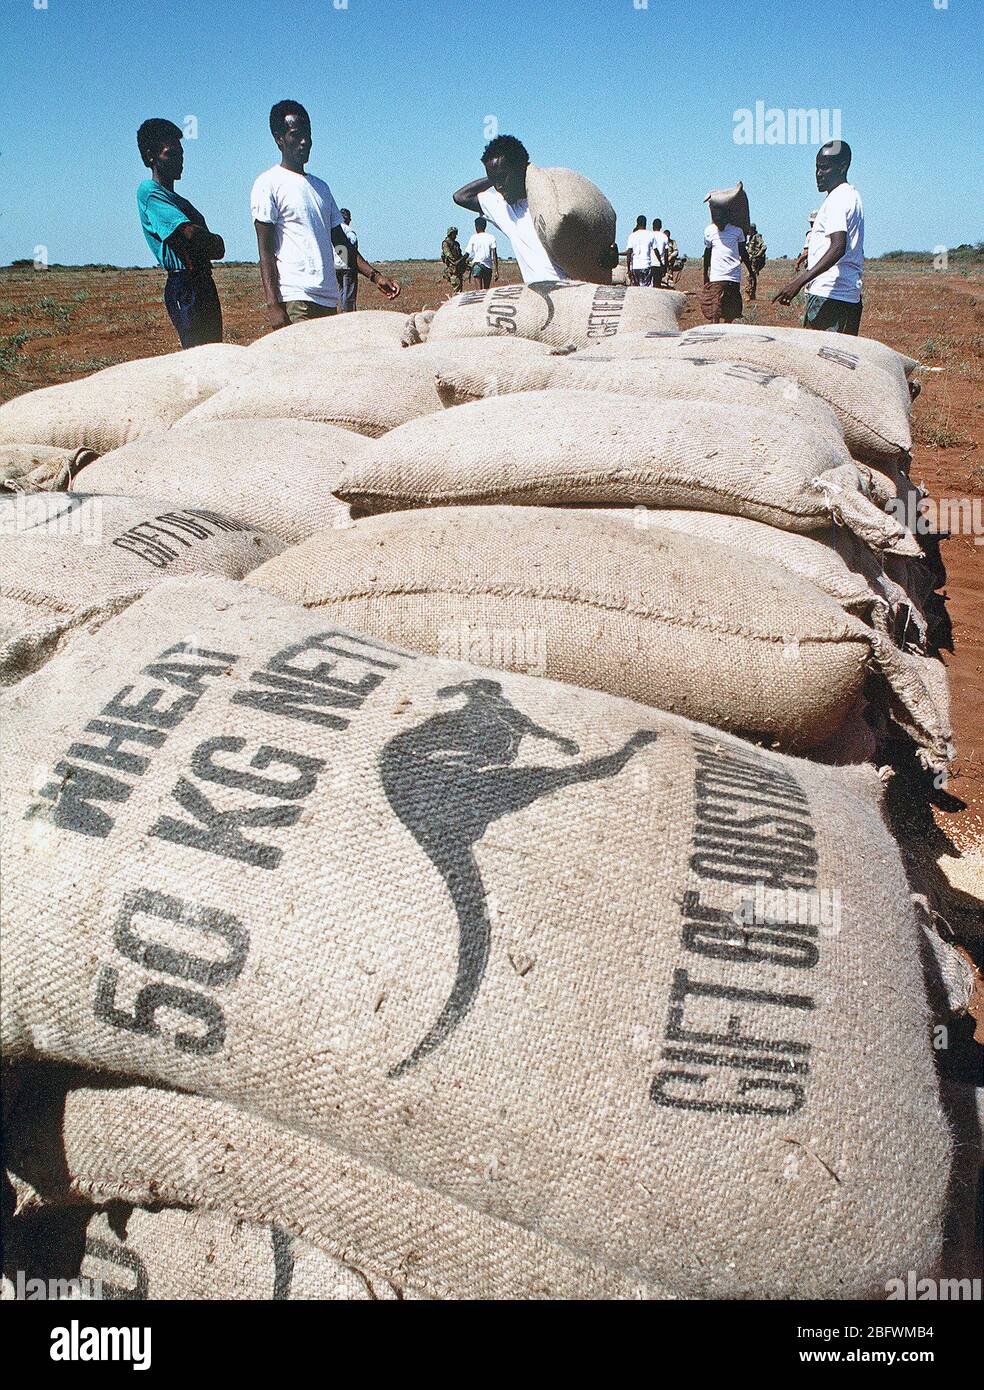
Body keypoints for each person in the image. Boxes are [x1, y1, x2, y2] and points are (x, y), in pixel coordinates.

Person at [251, 100, 399, 329]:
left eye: (308, 134)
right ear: (279, 139)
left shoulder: (321, 187)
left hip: (329, 299)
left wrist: (375, 276)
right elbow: (266, 251)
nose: (305, 141)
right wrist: (273, 305)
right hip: (296, 299)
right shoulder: (268, 184)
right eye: (295, 134)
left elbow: (340, 243)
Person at [136, 119, 224, 349]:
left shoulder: (180, 202)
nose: (180, 159)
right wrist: (209, 239)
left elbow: (214, 247)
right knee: (198, 353)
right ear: (150, 157)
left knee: (213, 351)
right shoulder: (149, 192)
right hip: (185, 284)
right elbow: (191, 235)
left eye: (181, 153)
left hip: (202, 280)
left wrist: (208, 241)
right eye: (171, 153)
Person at [452, 134, 571, 284]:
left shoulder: (552, 200)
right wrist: (495, 175)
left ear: (519, 168)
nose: (498, 186)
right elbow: (461, 196)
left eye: (503, 177)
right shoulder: (503, 208)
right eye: (494, 180)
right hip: (540, 298)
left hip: (574, 293)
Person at [773, 142, 864, 334]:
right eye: (817, 167)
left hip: (828, 295)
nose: (818, 174)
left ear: (843, 167)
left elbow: (838, 247)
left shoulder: (837, 200)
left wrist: (798, 282)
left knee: (817, 360)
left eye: (824, 167)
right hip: (848, 296)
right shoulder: (851, 196)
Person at [701, 204, 753, 322]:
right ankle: (715, 334)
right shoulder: (709, 231)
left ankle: (726, 336)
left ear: (726, 217)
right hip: (716, 276)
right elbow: (707, 252)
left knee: (730, 310)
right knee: (715, 310)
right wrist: (705, 273)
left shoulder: (737, 231)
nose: (719, 222)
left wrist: (751, 271)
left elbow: (743, 252)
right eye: (716, 219)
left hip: (733, 276)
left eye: (721, 218)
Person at [334, 208, 359, 313]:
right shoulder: (349, 231)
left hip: (336, 265)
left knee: (341, 291)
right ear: (348, 219)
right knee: (349, 292)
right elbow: (352, 244)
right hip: (348, 265)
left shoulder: (335, 230)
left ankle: (342, 311)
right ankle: (347, 313)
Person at [464, 216, 498, 290]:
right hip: (488, 267)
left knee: (479, 292)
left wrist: (460, 261)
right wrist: (496, 271)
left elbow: (467, 253)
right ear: (485, 226)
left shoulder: (473, 237)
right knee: (486, 291)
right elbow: (494, 255)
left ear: (476, 226)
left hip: (477, 266)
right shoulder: (491, 237)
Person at [626, 215, 654, 286]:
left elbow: (629, 253)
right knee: (645, 289)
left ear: (637, 223)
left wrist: (629, 269)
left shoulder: (632, 236)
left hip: (635, 266)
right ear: (646, 223)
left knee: (636, 289)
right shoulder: (650, 235)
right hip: (646, 265)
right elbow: (655, 251)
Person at [441, 226, 469, 294]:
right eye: (454, 234)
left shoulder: (456, 244)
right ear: (450, 234)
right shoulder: (446, 243)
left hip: (459, 269)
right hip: (453, 270)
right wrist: (461, 259)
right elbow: (450, 257)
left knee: (459, 289)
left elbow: (460, 255)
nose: (456, 235)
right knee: (457, 291)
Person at [745, 223, 767, 301]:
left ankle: (748, 294)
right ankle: (752, 295)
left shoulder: (757, 237)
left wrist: (757, 255)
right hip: (751, 260)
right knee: (753, 276)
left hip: (755, 261)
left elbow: (764, 247)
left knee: (749, 276)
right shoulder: (751, 237)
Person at [650, 217, 670, 287]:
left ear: (652, 226)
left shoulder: (650, 235)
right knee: (657, 285)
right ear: (661, 226)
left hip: (649, 263)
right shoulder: (664, 237)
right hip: (659, 264)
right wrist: (665, 266)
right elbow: (666, 253)